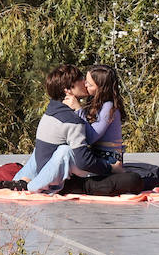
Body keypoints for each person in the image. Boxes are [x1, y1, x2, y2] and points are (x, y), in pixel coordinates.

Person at [6, 63, 111, 193]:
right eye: (80, 79)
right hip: (51, 178)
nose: (84, 82)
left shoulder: (52, 108)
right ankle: (31, 186)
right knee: (66, 151)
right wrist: (108, 168)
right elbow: (84, 160)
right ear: (68, 90)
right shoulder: (71, 121)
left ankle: (22, 180)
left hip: (42, 166)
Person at [83, 63, 126, 170]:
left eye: (90, 84)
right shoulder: (95, 103)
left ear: (101, 88)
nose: (85, 85)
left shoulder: (108, 107)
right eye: (86, 81)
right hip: (98, 155)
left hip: (109, 159)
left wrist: (78, 110)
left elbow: (91, 137)